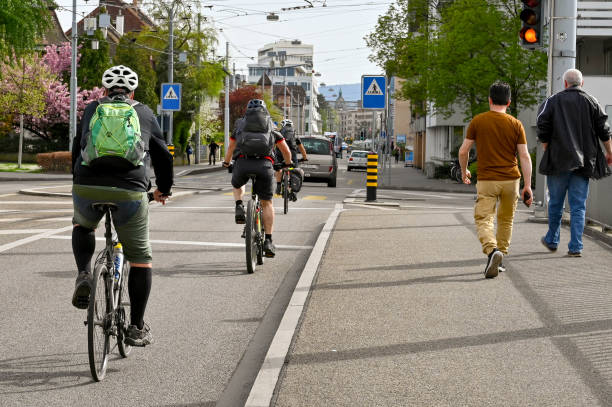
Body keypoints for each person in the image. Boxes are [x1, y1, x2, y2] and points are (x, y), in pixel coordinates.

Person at [71, 65, 173, 347]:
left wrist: (78, 180)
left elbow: (77, 147)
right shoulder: (144, 113)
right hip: (130, 190)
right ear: (133, 91)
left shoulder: (92, 109)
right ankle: (137, 327)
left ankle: (83, 273)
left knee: (83, 224)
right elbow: (163, 157)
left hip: (87, 185)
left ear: (104, 90)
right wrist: (163, 189)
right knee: (140, 257)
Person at [458, 81, 533, 278]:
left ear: (489, 100)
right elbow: (524, 156)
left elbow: (463, 150)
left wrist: (464, 170)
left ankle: (492, 251)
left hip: (487, 180)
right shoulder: (516, 124)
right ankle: (500, 260)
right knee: (506, 220)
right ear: (509, 102)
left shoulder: (478, 121)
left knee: (484, 218)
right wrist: (528, 185)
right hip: (511, 180)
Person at [537, 68, 612, 257]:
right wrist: (610, 151)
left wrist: (546, 146)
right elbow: (604, 129)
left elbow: (542, 124)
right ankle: (576, 247)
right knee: (578, 206)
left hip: (558, 161)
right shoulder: (592, 101)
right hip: (584, 163)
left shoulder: (552, 101)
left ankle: (552, 240)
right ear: (582, 83)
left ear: (565, 83)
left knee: (556, 203)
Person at [222, 99, 292, 257]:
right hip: (265, 166)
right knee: (267, 203)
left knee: (237, 182)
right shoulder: (271, 126)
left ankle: (239, 205)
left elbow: (231, 147)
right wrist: (287, 163)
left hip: (243, 163)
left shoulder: (240, 124)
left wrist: (227, 163)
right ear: (265, 111)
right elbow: (285, 150)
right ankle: (268, 240)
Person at [274, 119, 308, 196]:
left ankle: (279, 186)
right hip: (292, 155)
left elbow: (273, 145)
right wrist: (304, 157)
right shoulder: (295, 135)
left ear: (283, 125)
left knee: (278, 169)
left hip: (280, 153)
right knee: (295, 170)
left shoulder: (279, 133)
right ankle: (294, 191)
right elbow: (301, 148)